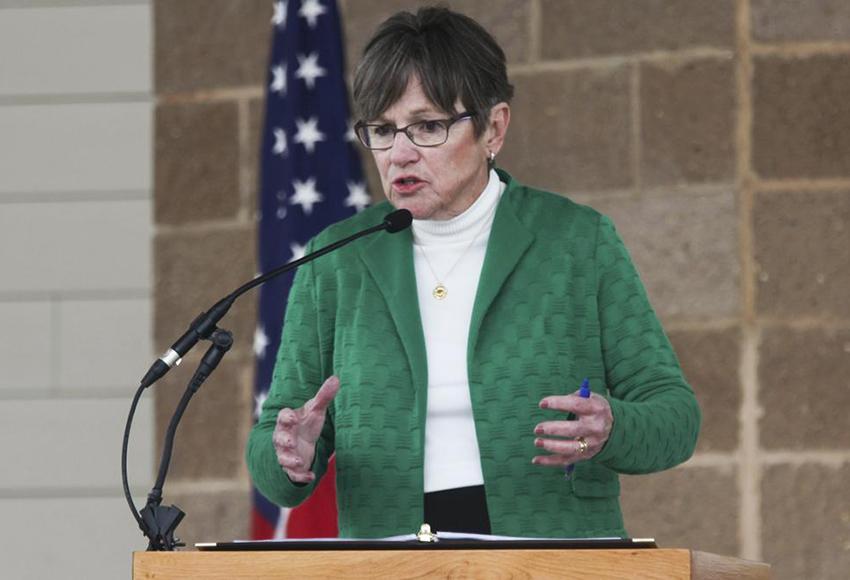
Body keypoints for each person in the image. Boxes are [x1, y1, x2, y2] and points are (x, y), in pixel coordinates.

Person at [247, 6, 700, 539]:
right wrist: (289, 455)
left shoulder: (577, 241)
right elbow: (270, 443)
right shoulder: (335, 261)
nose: (400, 153)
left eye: (428, 126)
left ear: (494, 127)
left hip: (552, 552)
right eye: (383, 130)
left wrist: (612, 428)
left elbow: (675, 416)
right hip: (390, 558)